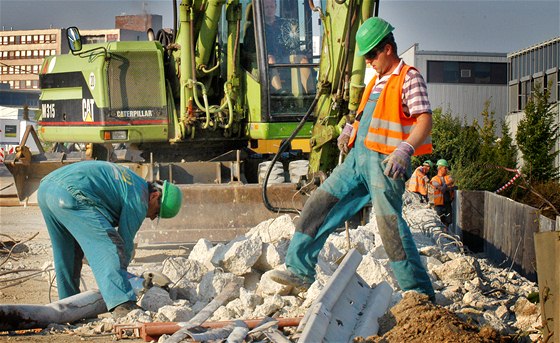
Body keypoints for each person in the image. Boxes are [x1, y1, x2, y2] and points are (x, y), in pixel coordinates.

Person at [269, 17, 435, 300]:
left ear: (387, 49)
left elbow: (424, 119)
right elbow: (361, 116)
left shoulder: (408, 77)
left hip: (386, 164)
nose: (368, 61)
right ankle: (299, 269)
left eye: (371, 55)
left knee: (389, 227)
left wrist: (405, 149)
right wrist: (349, 130)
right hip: (357, 160)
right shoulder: (376, 82)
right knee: (319, 204)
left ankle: (419, 293)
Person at [37, 160, 182, 318]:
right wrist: (126, 282)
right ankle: (122, 304)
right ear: (154, 196)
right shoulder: (140, 197)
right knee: (111, 245)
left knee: (68, 252)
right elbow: (123, 244)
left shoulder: (133, 181)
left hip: (46, 189)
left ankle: (69, 306)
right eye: (156, 212)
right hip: (71, 192)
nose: (153, 218)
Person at [430, 159, 455, 231]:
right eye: (445, 168)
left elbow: (452, 182)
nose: (447, 169)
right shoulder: (434, 178)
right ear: (440, 168)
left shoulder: (448, 177)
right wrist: (446, 187)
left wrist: (445, 186)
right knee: (440, 221)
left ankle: (446, 233)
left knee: (448, 221)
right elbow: (438, 186)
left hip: (448, 203)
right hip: (439, 205)